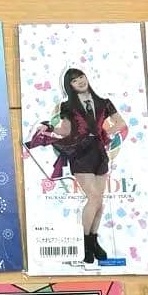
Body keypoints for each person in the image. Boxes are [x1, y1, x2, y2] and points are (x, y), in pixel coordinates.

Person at [26, 68, 129, 266]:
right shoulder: (67, 106)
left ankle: (93, 241)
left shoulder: (104, 102)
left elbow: (121, 123)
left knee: (100, 202)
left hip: (99, 153)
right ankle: (84, 243)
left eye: (81, 77)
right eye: (74, 80)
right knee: (94, 198)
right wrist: (49, 127)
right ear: (70, 86)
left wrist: (104, 133)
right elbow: (66, 131)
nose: (80, 81)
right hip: (80, 153)